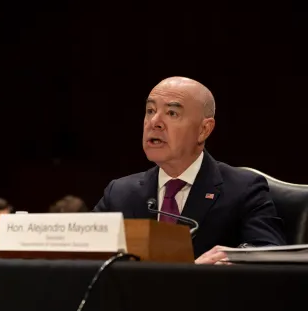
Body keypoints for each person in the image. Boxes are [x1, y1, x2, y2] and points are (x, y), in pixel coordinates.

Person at [94, 76, 285, 264]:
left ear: (204, 130)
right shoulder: (119, 192)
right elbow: (82, 252)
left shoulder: (244, 189)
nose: (155, 122)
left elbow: (268, 255)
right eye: (150, 111)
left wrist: (220, 265)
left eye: (172, 113)